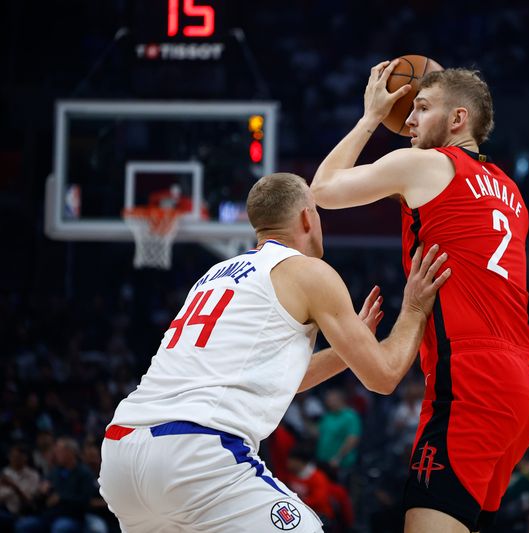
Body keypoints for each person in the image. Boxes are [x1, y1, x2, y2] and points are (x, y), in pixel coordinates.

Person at [98, 172, 450, 533]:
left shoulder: (215, 274)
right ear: (306, 217)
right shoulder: (308, 272)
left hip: (121, 453)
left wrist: (349, 350)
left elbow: (275, 380)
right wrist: (414, 310)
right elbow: (386, 375)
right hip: (193, 451)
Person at [312, 61, 529, 532]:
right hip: (525, 382)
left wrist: (370, 118)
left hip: (471, 379)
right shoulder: (511, 192)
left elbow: (322, 191)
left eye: (421, 106)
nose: (409, 119)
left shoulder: (427, 164)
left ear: (458, 119)